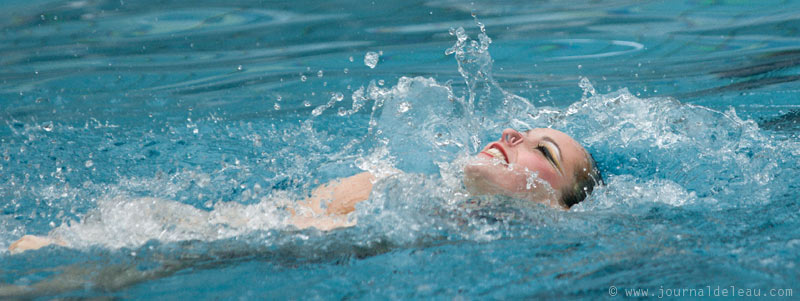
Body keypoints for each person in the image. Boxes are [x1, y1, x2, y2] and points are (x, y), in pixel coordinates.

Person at [8, 128, 602, 253]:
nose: (511, 134)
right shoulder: (382, 185)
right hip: (156, 244)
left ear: (555, 205)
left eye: (542, 152)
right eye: (522, 129)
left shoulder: (547, 242)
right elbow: (238, 228)